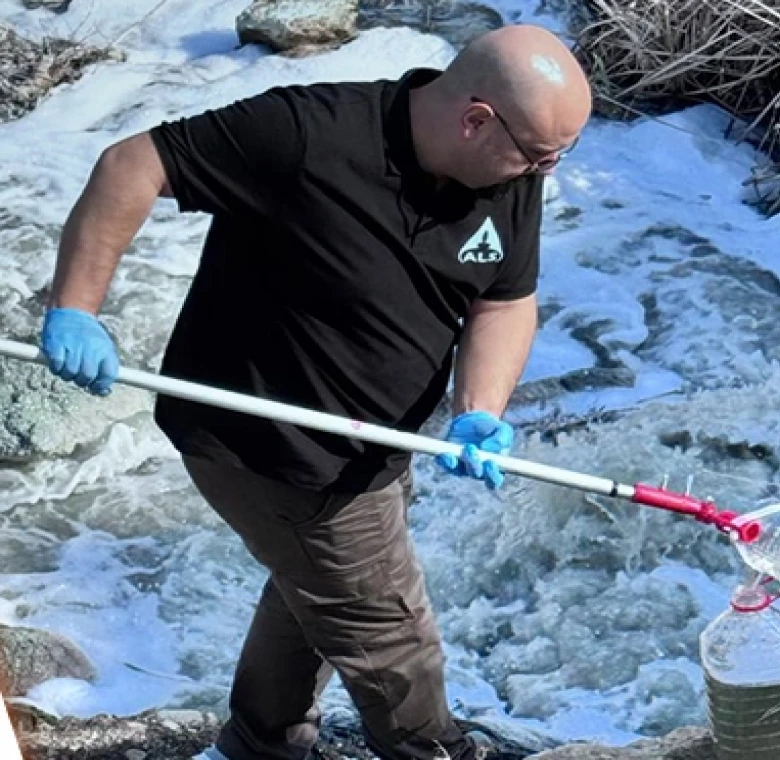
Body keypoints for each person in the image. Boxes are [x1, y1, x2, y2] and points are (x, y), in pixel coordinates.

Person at [37, 23, 592, 760]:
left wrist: (479, 409)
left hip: (378, 443)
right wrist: (75, 306)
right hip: (271, 444)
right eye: (537, 154)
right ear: (475, 119)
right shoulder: (306, 134)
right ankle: (429, 750)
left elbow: (504, 298)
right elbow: (133, 165)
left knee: (318, 595)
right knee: (392, 632)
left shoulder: (508, 172)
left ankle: (258, 744)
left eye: (558, 157)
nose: (544, 174)